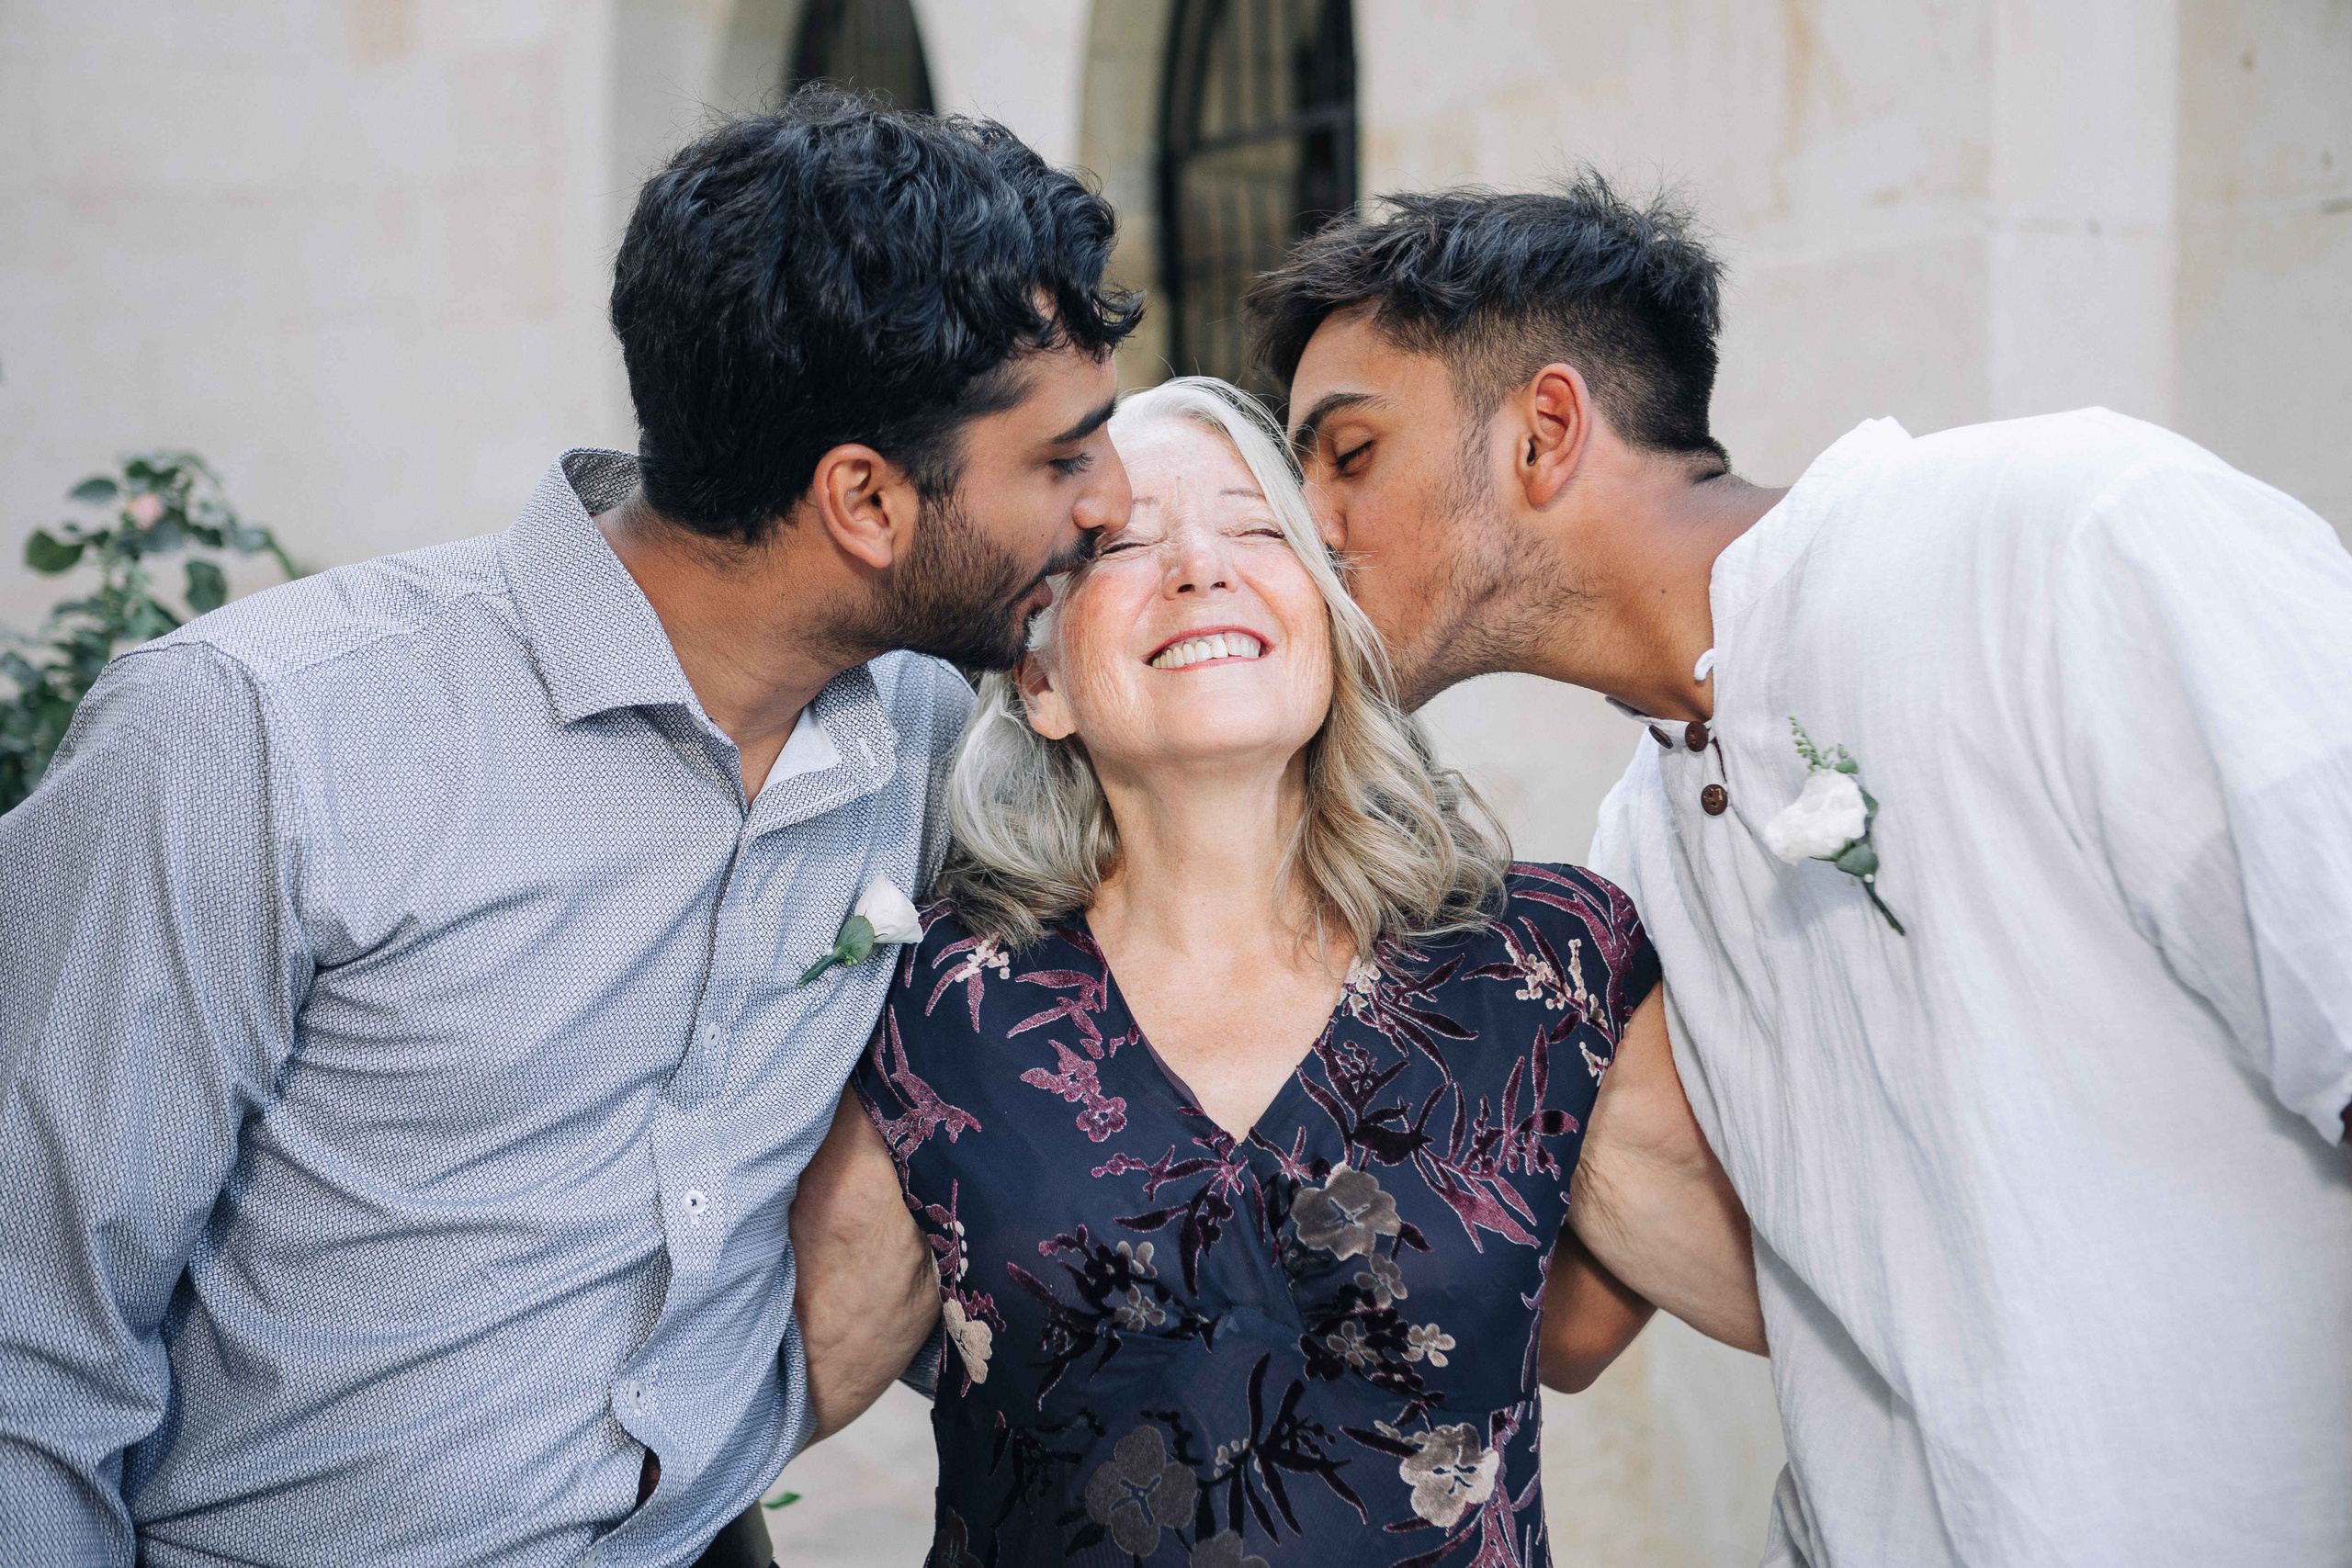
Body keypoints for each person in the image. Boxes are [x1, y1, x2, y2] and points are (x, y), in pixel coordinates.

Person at [0, 92, 1137, 1568]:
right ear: (862, 497)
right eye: (1065, 458)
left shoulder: (927, 733)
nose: (1114, 501)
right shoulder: (249, 740)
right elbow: (27, 1356)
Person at [1243, 175, 2352, 1565]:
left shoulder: (2069, 538)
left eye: (1348, 455)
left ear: (1546, 431)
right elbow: (1570, 1326)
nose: (1309, 527)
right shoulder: (1635, 857)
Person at [784, 377, 1766, 1568]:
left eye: (1258, 529)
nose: (1200, 566)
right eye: (1123, 543)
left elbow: (1812, 1294)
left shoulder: (1543, 966)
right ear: (1039, 681)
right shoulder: (943, 1000)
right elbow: (762, 1395)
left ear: (1332, 627)